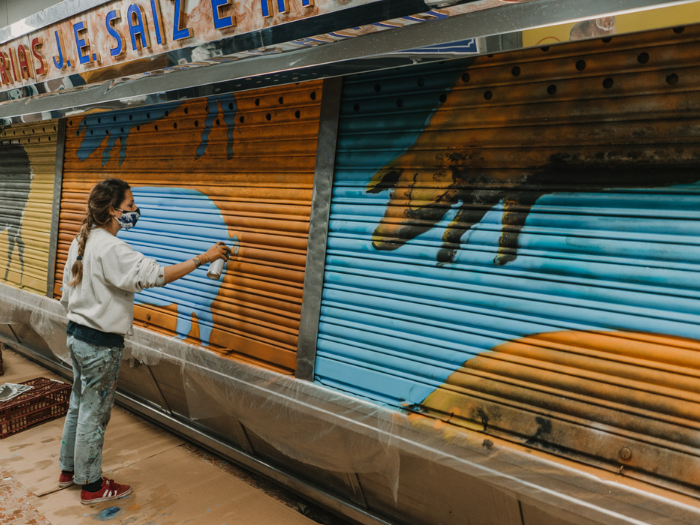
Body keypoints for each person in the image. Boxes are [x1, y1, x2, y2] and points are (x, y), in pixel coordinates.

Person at [57, 178, 230, 504]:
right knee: (95, 415)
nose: (136, 210)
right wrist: (203, 259)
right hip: (98, 345)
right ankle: (92, 487)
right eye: (131, 205)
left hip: (76, 335)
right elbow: (156, 276)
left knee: (79, 405)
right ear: (113, 210)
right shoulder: (112, 248)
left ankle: (69, 471)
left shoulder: (83, 238)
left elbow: (69, 291)